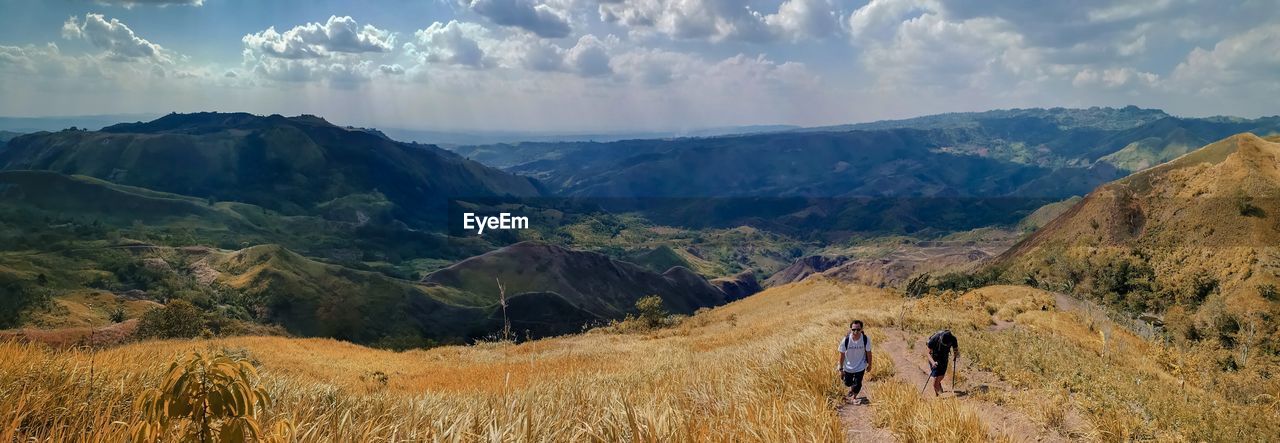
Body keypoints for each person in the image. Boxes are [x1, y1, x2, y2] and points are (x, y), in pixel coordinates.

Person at [836, 319, 873, 404]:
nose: (856, 331)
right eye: (853, 329)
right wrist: (841, 368)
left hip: (860, 365)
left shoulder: (865, 339)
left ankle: (854, 397)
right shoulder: (846, 340)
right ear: (850, 329)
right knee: (848, 383)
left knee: (858, 383)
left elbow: (869, 353)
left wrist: (870, 365)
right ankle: (852, 388)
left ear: (862, 329)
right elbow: (841, 355)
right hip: (848, 366)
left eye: (858, 329)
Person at [925, 329, 959, 396]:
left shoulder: (953, 339)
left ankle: (938, 384)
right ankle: (938, 396)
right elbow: (927, 353)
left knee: (941, 376)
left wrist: (955, 356)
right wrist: (933, 362)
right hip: (934, 357)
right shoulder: (935, 338)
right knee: (935, 378)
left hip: (944, 357)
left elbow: (955, 349)